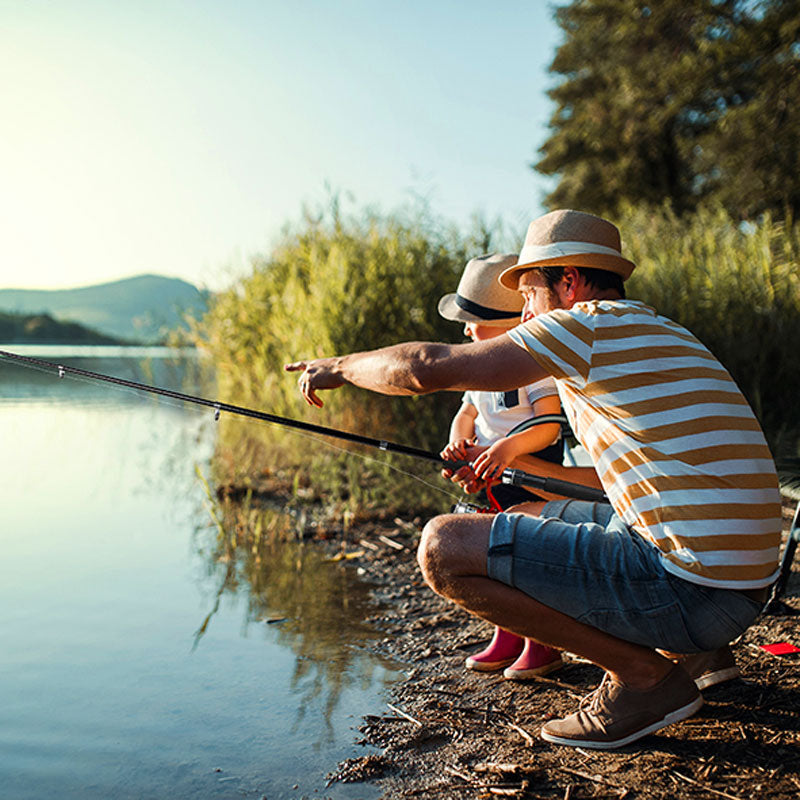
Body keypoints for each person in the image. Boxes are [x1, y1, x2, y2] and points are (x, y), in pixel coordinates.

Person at [285, 209, 782, 750]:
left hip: (696, 593)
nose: (524, 312)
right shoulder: (657, 333)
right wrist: (519, 471)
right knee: (524, 514)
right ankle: (699, 654)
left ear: (567, 283)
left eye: (528, 293)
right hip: (744, 587)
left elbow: (426, 366)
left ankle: (645, 680)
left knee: (444, 547)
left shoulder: (583, 326)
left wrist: (340, 365)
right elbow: (619, 483)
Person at [437, 252, 564, 680]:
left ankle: (540, 642)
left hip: (532, 474)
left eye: (476, 320)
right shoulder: (480, 371)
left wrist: (509, 449)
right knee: (493, 553)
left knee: (525, 553)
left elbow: (549, 426)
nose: (467, 329)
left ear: (512, 324)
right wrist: (460, 441)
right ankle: (506, 631)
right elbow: (467, 414)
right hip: (490, 476)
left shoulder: (535, 367)